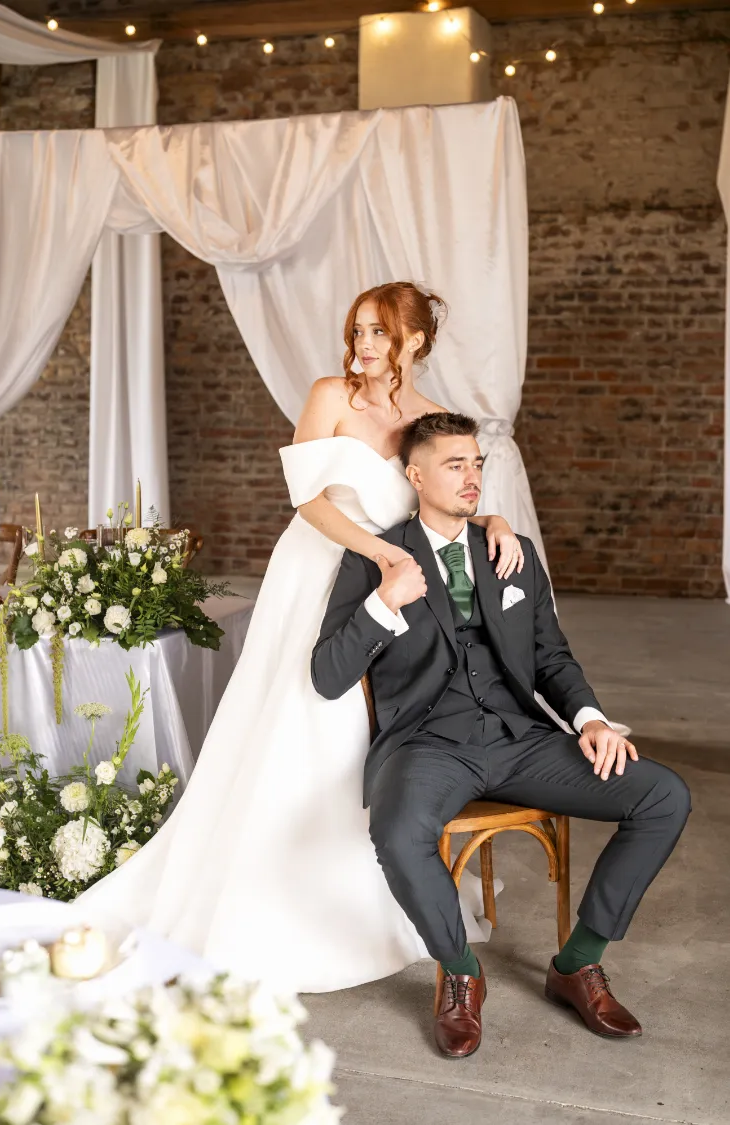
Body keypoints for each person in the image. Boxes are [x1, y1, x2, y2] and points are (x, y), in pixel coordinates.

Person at [77, 282, 523, 992]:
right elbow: (306, 498)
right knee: (309, 715)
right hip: (320, 570)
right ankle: (271, 899)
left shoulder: (428, 418)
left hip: (390, 584)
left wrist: (492, 522)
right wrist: (380, 554)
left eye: (378, 333)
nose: (362, 345)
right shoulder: (330, 396)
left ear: (414, 341)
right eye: (357, 331)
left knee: (373, 726)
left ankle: (384, 884)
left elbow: (443, 496)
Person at [312, 410, 691, 1057]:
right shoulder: (375, 558)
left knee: (663, 795)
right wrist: (385, 600)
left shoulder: (511, 551)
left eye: (476, 463)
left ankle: (577, 962)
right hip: (428, 743)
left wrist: (592, 721)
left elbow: (551, 657)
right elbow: (327, 675)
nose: (472, 476)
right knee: (398, 834)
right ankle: (460, 970)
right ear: (416, 475)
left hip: (521, 739)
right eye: (454, 464)